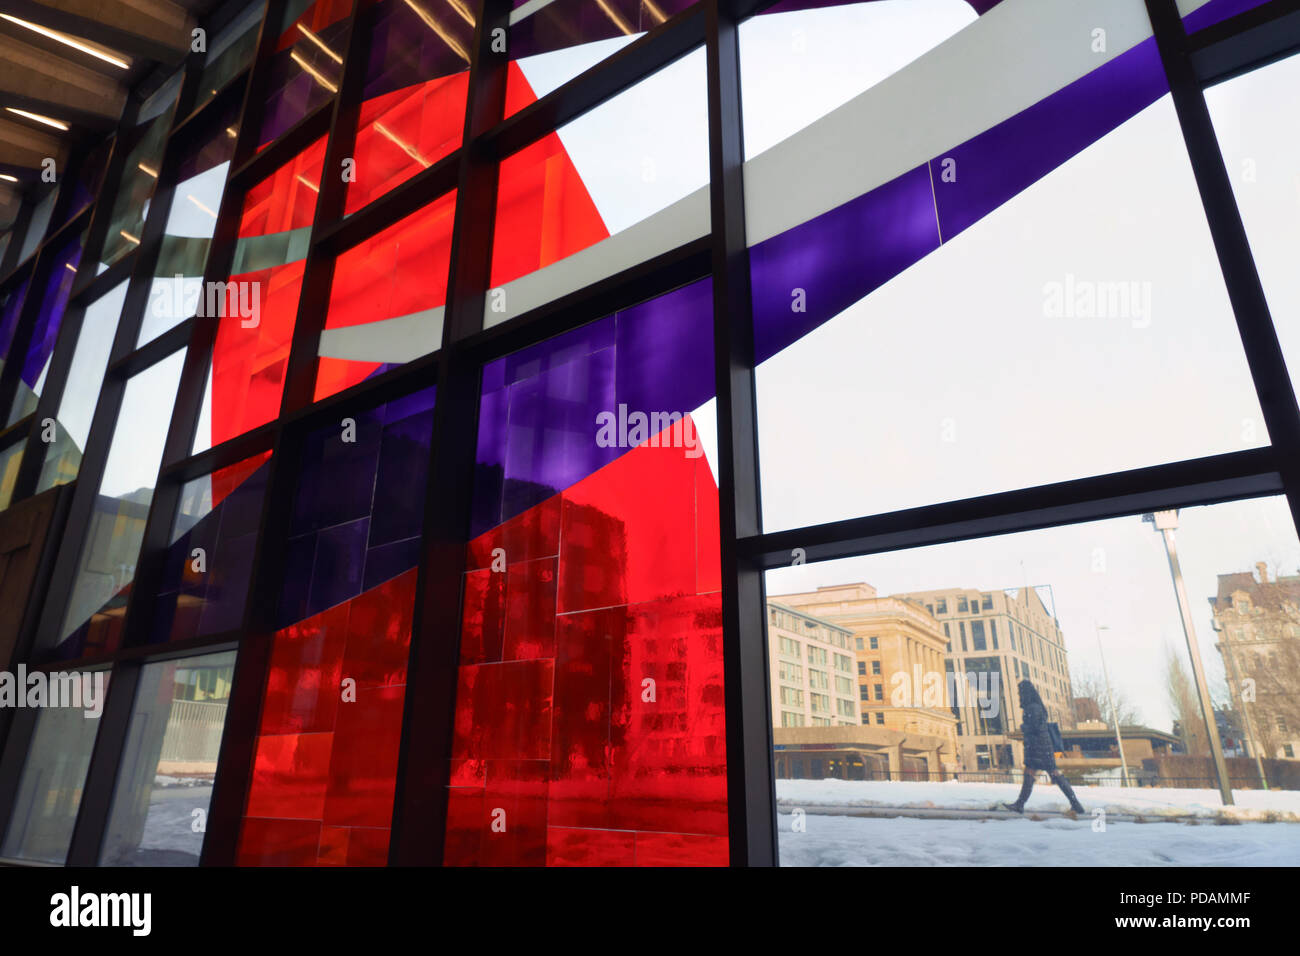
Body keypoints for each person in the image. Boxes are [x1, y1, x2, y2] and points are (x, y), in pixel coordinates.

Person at [1003, 679, 1085, 815]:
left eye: (1020, 692)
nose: (1019, 695)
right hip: (1041, 747)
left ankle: (1075, 804)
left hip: (1038, 748)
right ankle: (1075, 803)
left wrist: (1024, 727)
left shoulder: (1032, 708)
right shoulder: (1035, 706)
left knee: (1051, 774)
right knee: (1043, 774)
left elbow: (1035, 727)